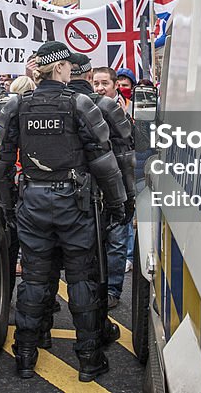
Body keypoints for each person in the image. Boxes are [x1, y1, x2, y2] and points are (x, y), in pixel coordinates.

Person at [0, 41, 127, 382]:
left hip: (32, 202)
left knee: (35, 279)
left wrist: (9, 207)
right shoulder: (80, 104)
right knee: (82, 278)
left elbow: (0, 166)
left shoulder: (15, 106)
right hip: (74, 204)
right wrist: (117, 204)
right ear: (62, 68)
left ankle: (25, 355)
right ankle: (89, 360)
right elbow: (104, 162)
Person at [68, 55, 137, 316]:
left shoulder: (108, 107)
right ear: (88, 78)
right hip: (86, 190)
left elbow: (125, 152)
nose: (98, 87)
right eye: (95, 81)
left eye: (103, 82)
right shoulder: (73, 105)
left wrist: (127, 194)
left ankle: (109, 292)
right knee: (91, 246)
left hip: (106, 188)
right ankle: (96, 298)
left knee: (115, 243)